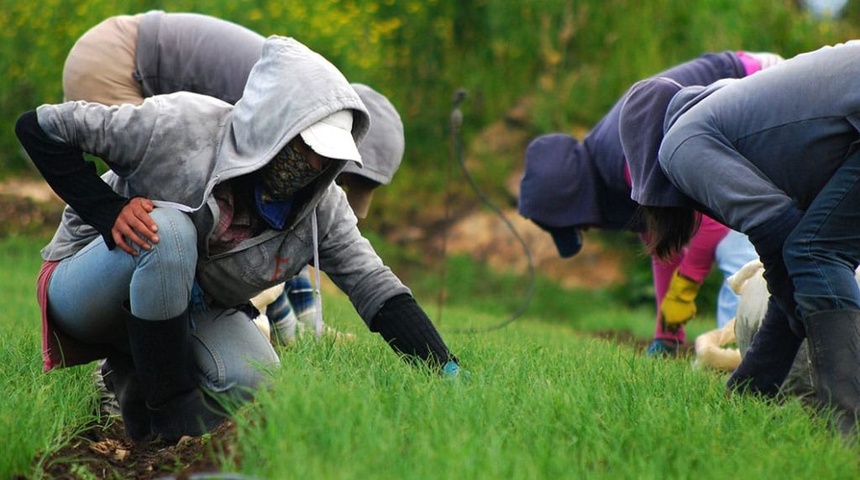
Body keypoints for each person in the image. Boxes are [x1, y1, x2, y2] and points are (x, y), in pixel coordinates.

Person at [16, 34, 461, 444]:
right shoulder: (180, 126)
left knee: (255, 378)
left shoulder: (321, 208)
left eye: (328, 155)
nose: (314, 163)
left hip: (186, 305)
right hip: (89, 282)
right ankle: (171, 419)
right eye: (306, 146)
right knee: (168, 233)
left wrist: (448, 369)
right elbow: (39, 128)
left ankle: (132, 398)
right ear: (272, 124)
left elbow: (376, 288)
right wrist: (107, 210)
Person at [61, 11, 405, 345]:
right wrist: (106, 210)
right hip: (116, 63)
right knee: (153, 232)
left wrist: (308, 322)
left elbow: (289, 234)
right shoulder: (275, 99)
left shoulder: (304, 100)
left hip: (119, 51)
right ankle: (117, 365)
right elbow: (245, 244)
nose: (321, 172)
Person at [619, 41, 860, 435]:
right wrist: (744, 397)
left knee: (815, 255)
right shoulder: (744, 121)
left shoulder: (681, 143)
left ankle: (844, 435)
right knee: (814, 255)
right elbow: (791, 270)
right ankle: (800, 414)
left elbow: (782, 243)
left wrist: (800, 307)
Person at [518, 50, 782, 356]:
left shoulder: (625, 162)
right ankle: (749, 355)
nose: (588, 227)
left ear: (575, 198)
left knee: (735, 248)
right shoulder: (609, 176)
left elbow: (711, 220)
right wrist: (667, 335)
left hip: (758, 83)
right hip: (731, 119)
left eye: (577, 222)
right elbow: (664, 243)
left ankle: (748, 360)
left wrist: (686, 285)